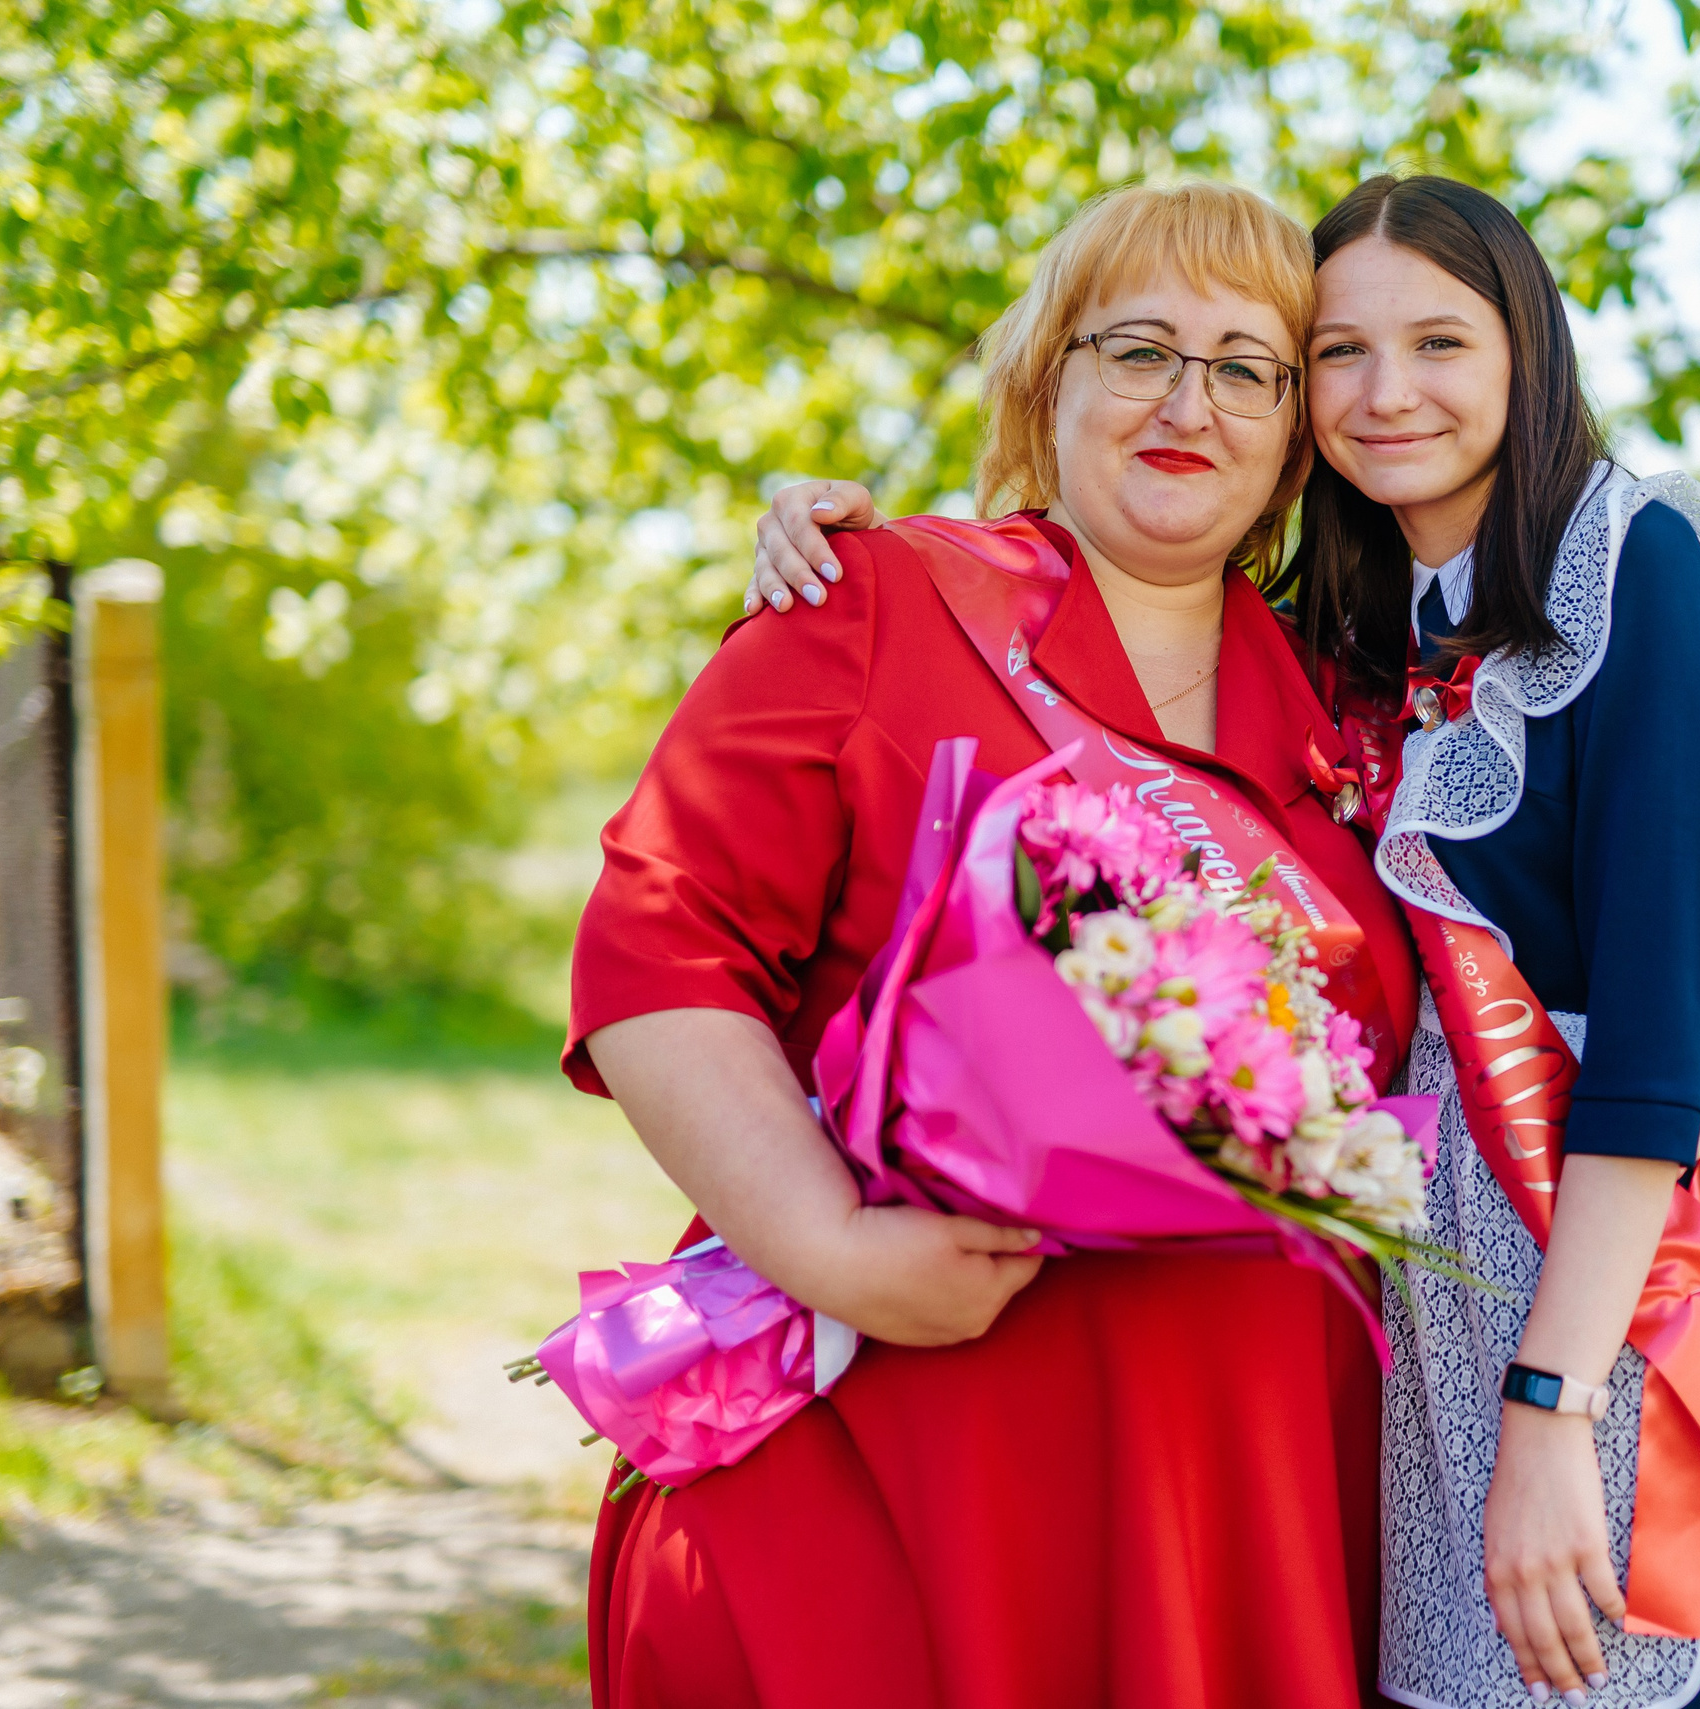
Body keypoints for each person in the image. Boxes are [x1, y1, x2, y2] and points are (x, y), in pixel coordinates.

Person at [747, 174, 1700, 1709]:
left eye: (1440, 343)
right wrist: (830, 522)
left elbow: (1648, 1043)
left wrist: (1552, 1413)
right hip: (1412, 1321)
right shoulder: (1350, 627)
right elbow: (1104, 578)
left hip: (1588, 1312)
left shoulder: (1635, 572)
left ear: (1528, 355)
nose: (1387, 396)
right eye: (1340, 356)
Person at [569, 180, 1421, 1709]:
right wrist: (828, 1246)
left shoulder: (1359, 728)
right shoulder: (875, 606)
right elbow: (656, 952)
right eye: (1139, 347)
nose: (1189, 401)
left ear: (1302, 432)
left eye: (1248, 366)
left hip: (1255, 1511)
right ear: (1051, 378)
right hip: (904, 1465)